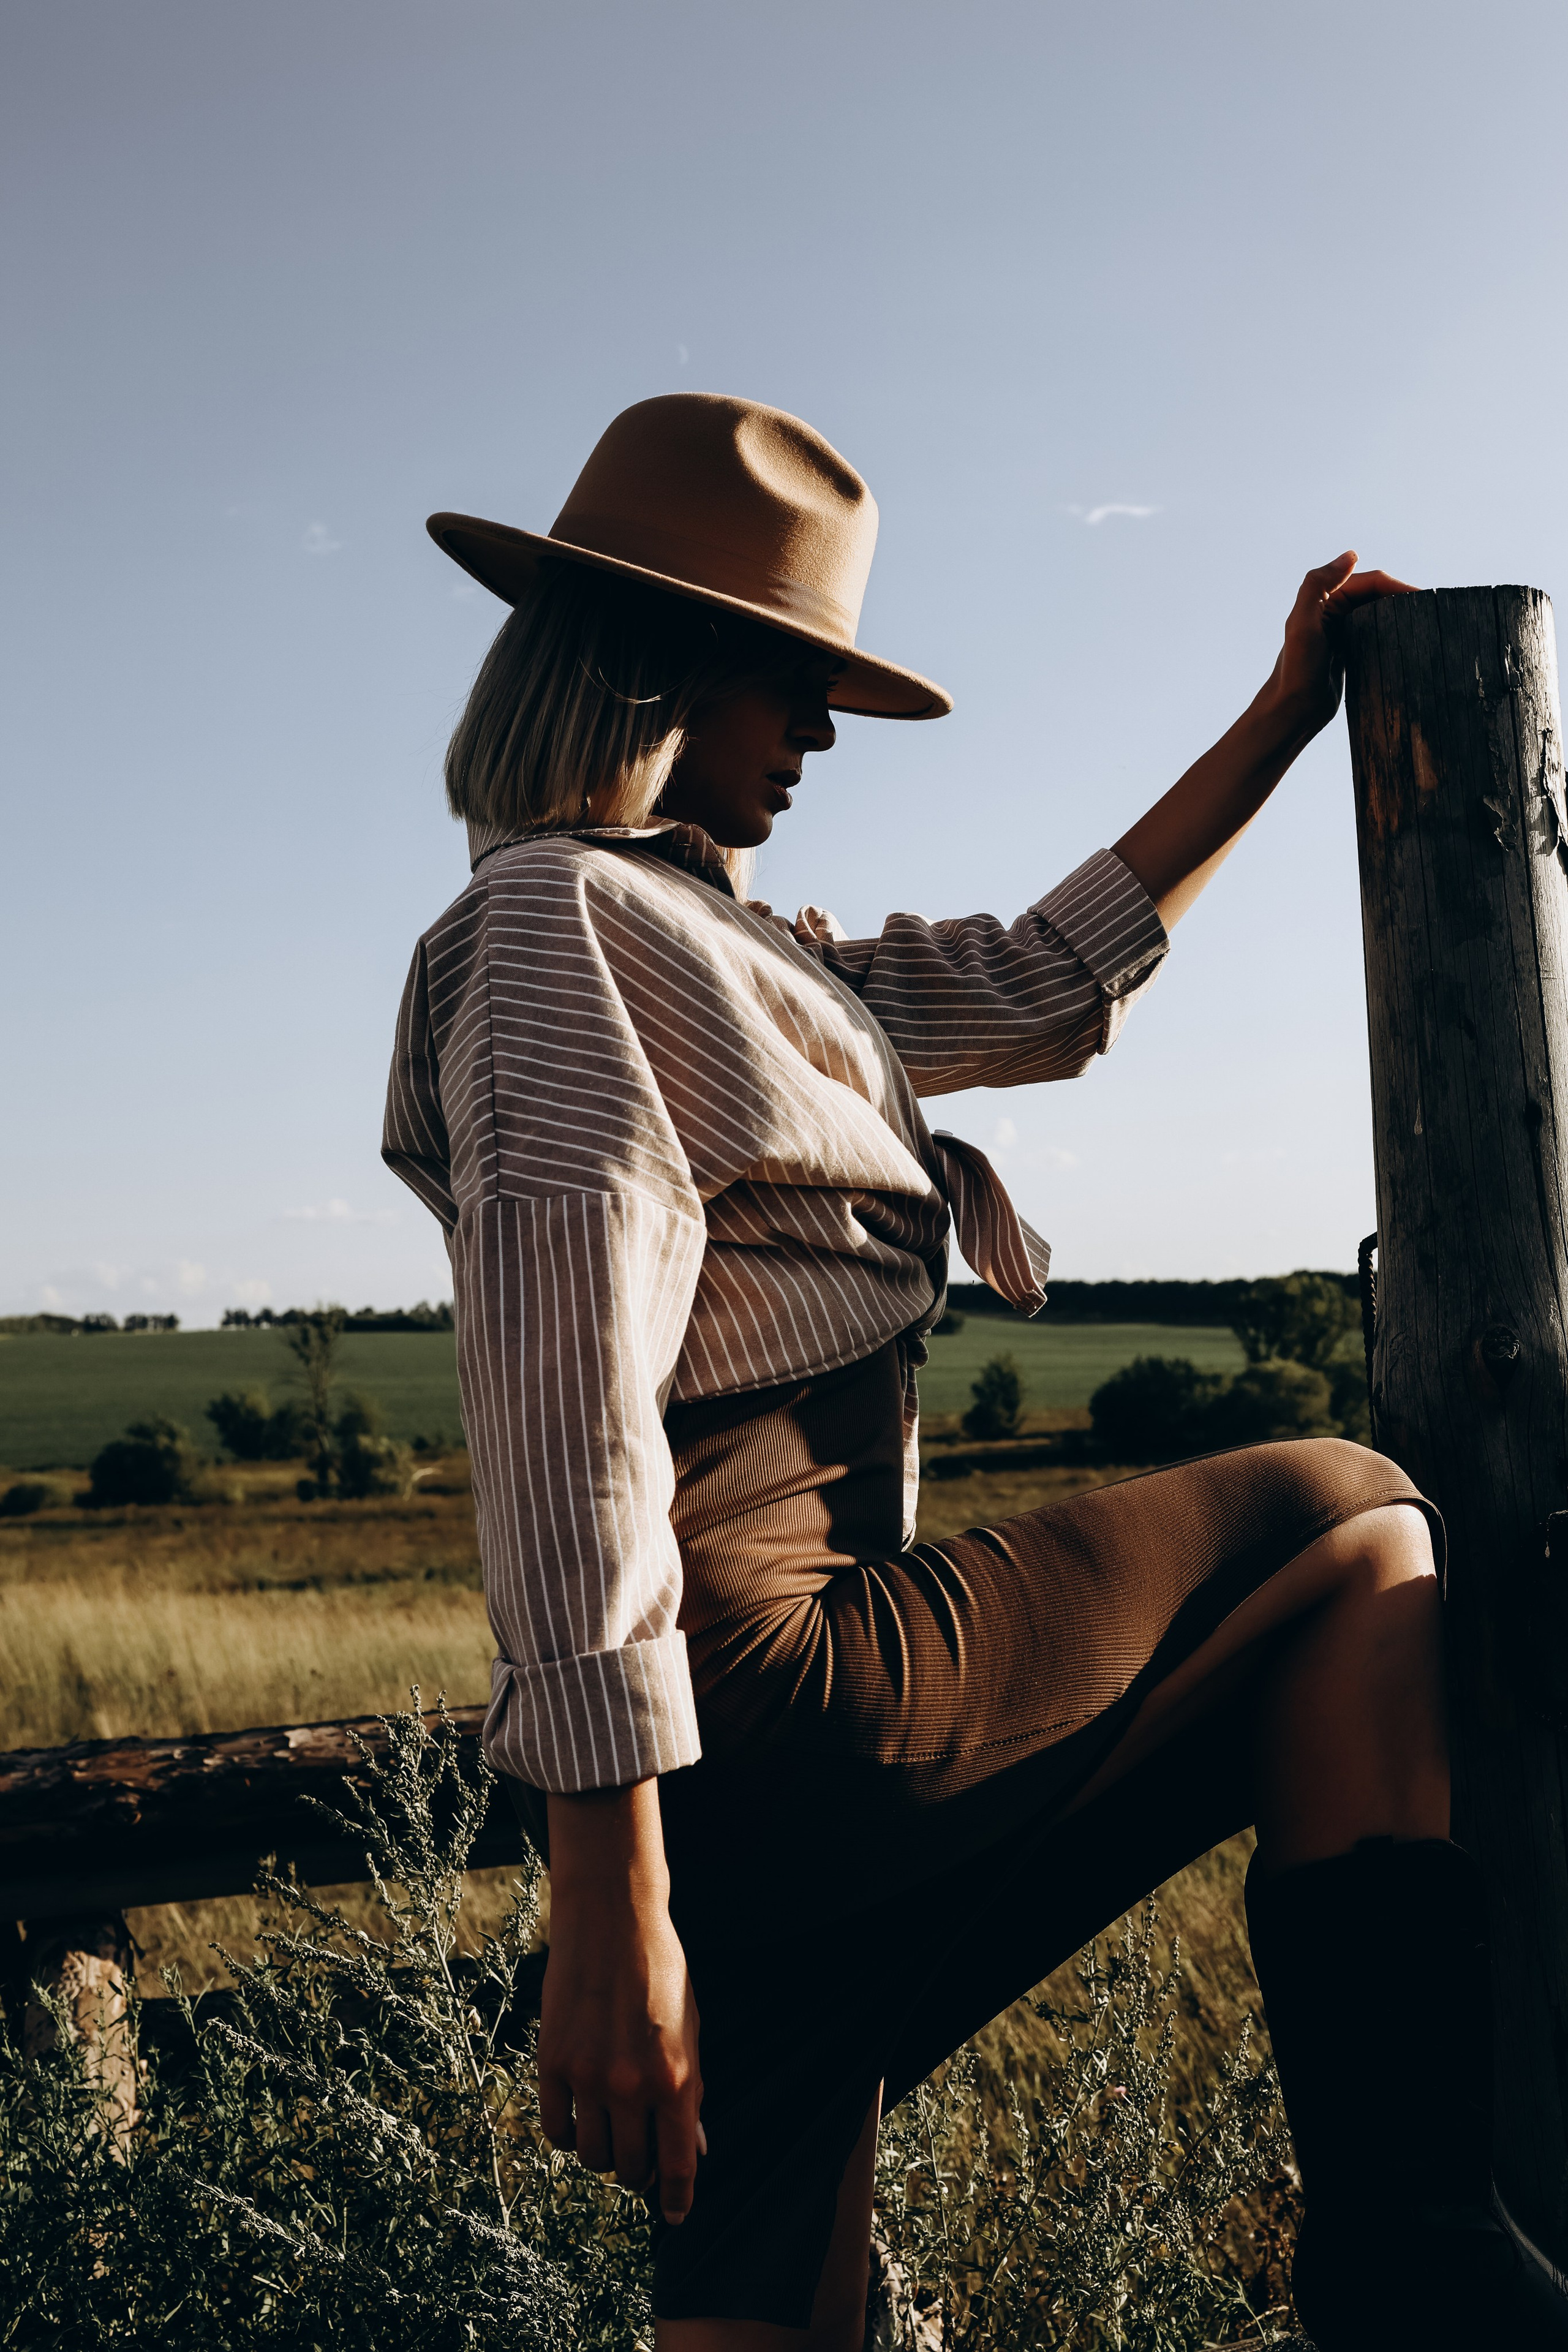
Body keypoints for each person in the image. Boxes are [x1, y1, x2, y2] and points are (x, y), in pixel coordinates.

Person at [385, 393, 1568, 2351]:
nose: (823, 735)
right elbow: (560, 1386)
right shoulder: (555, 928)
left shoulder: (748, 956)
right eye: (799, 682)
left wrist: (1283, 718)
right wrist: (605, 1878)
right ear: (677, 659)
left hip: (736, 1785)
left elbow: (1045, 979)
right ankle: (1413, 2249)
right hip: (767, 1690)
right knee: (1360, 1525)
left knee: (767, 2304)